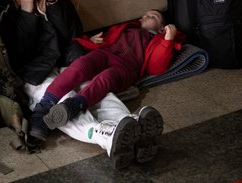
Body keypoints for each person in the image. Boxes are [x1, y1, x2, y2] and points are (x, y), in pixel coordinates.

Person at [29, 10, 184, 166]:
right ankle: (43, 108)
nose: (144, 17)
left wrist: (168, 39)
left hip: (127, 67)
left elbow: (156, 66)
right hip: (104, 53)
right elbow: (106, 38)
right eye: (144, 15)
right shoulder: (127, 27)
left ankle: (73, 105)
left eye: (152, 16)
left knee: (105, 79)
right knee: (78, 67)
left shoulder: (156, 39)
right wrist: (90, 40)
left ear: (161, 27)